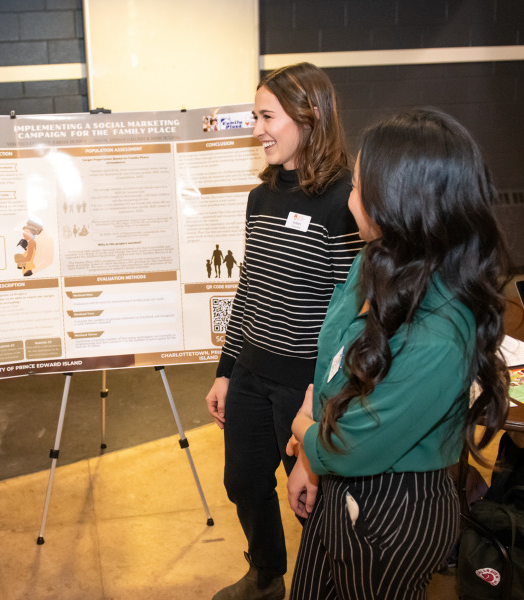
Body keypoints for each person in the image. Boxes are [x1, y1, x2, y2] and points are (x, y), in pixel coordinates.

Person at [286, 108, 511, 600]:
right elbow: (332, 362)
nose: (348, 202)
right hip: (342, 484)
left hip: (393, 508)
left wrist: (306, 434)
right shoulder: (374, 260)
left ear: (401, 203)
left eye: (358, 187)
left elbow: (345, 446)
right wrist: (312, 455)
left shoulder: (439, 335)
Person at [205, 62, 364, 600]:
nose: (256, 129)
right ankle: (267, 575)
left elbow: (355, 311)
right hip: (250, 372)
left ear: (309, 115)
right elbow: (248, 287)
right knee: (243, 483)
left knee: (310, 499)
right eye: (255, 116)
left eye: (266, 116)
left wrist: (323, 398)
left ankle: (328, 585)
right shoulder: (262, 197)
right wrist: (225, 371)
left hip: (306, 386)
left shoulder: (347, 201)